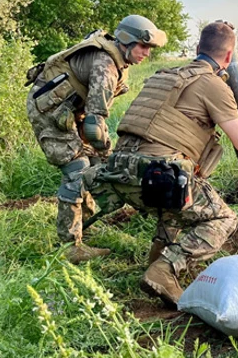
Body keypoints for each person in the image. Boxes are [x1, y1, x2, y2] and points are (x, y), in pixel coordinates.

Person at [88, 20, 238, 306]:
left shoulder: (165, 75)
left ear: (197, 49)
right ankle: (166, 269)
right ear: (229, 57)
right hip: (154, 176)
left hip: (118, 171)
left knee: (178, 189)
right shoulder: (212, 85)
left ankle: (156, 259)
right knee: (224, 217)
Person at [25, 15, 167, 264]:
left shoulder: (115, 60)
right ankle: (70, 246)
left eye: (150, 48)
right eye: (144, 46)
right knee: (77, 170)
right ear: (126, 41)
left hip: (68, 112)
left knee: (92, 163)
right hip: (48, 111)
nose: (147, 53)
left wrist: (100, 154)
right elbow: (94, 127)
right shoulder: (106, 66)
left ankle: (86, 226)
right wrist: (109, 152)